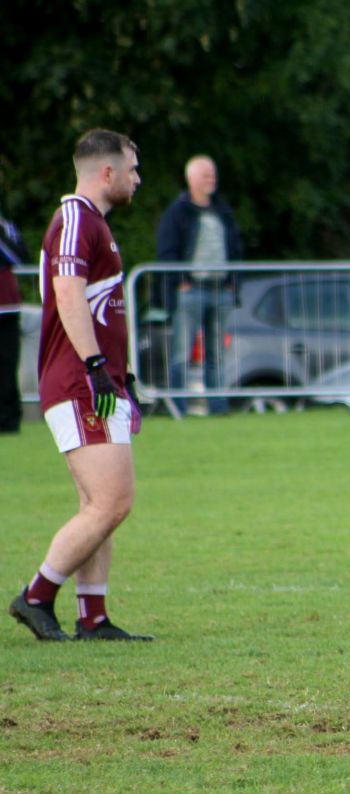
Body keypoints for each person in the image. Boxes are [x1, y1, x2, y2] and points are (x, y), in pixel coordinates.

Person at [8, 128, 153, 642]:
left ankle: (93, 617)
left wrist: (123, 374)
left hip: (100, 382)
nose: (138, 178)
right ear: (107, 172)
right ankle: (36, 595)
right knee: (112, 502)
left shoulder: (96, 226)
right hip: (78, 383)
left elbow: (103, 306)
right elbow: (67, 292)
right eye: (133, 168)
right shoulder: (75, 219)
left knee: (98, 506)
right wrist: (94, 366)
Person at [156, 154, 244, 415]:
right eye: (206, 175)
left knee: (216, 353)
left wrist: (232, 283)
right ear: (191, 179)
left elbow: (236, 248)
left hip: (220, 290)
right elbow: (167, 250)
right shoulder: (177, 213)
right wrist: (180, 281)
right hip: (191, 290)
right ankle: (177, 407)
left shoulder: (223, 212)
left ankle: (218, 407)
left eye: (213, 175)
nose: (211, 180)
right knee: (181, 353)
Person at [0, 208, 27, 434]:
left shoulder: (5, 223)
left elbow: (18, 256)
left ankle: (9, 418)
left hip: (7, 308)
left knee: (7, 365)